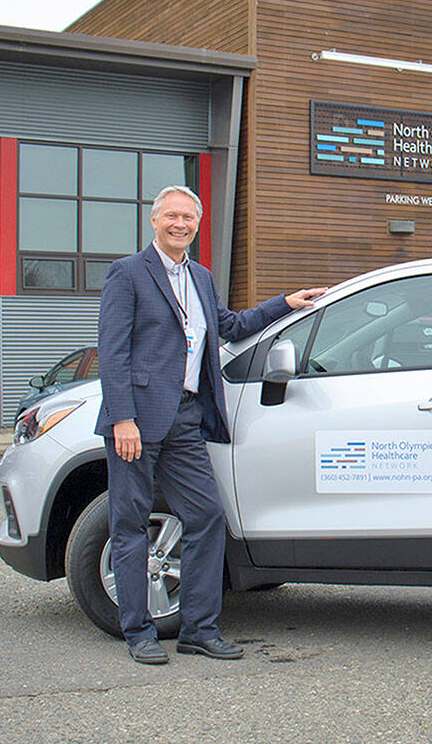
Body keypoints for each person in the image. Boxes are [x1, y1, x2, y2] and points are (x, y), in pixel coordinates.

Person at [96, 185, 326, 665]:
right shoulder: (128, 273)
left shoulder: (200, 276)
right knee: (130, 523)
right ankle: (138, 631)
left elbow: (232, 325)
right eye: (173, 216)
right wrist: (122, 418)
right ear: (155, 221)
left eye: (189, 218)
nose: (181, 224)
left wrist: (285, 303)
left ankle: (198, 629)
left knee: (205, 517)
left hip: (185, 417)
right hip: (137, 420)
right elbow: (112, 353)